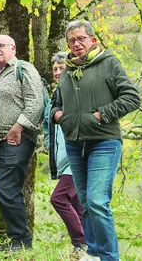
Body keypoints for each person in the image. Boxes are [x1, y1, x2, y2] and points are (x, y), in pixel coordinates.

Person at [51, 20, 141, 261]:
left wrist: (101, 115)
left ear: (92, 40)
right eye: (72, 40)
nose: (76, 43)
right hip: (75, 142)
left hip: (104, 141)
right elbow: (56, 103)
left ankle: (110, 257)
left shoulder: (108, 63)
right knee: (85, 203)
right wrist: (58, 115)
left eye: (81, 38)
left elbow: (132, 98)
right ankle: (93, 254)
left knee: (98, 201)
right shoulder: (67, 70)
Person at [0, 35, 46, 251]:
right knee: (4, 190)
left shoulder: (24, 68)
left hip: (17, 139)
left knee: (7, 188)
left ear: (13, 47)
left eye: (1, 45)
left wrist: (18, 127)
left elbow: (35, 102)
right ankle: (14, 239)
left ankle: (21, 241)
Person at [44, 52, 86, 256]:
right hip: (63, 159)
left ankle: (79, 243)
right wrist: (47, 143)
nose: (58, 72)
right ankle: (87, 246)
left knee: (59, 198)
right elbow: (48, 127)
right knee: (77, 205)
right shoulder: (55, 95)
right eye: (55, 69)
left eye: (62, 68)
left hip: (77, 156)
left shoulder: (77, 91)